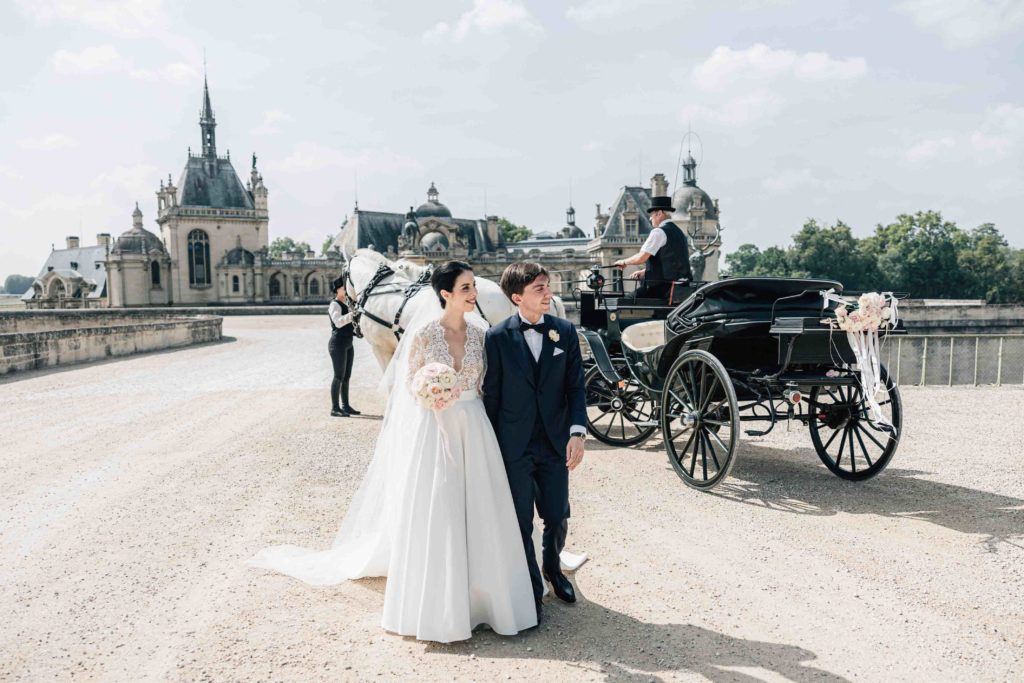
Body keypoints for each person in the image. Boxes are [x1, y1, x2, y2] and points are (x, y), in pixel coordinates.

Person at [250, 261, 536, 643]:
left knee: (484, 507)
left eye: (473, 287)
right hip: (436, 429)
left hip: (476, 426)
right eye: (466, 288)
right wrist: (432, 394)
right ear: (446, 294)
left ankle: (491, 599)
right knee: (441, 508)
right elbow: (410, 386)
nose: (474, 294)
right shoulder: (423, 334)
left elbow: (494, 384)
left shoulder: (483, 334)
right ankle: (441, 606)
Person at [483, 261, 587, 624]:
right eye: (539, 288)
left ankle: (553, 570)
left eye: (548, 286)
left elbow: (576, 387)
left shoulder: (565, 332)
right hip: (514, 445)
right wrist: (492, 446)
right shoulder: (495, 338)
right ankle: (531, 589)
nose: (549, 293)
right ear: (517, 297)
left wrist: (577, 432)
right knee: (521, 519)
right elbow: (491, 397)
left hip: (557, 441)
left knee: (557, 515)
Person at [612, 195, 692, 300]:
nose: (650, 218)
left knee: (623, 302)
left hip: (662, 289)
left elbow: (642, 257)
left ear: (659, 213)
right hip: (682, 288)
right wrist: (646, 272)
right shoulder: (680, 233)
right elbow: (672, 263)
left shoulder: (659, 232)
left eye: (652, 215)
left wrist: (623, 261)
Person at [328, 276, 360, 417]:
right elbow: (339, 322)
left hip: (348, 342)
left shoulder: (346, 304)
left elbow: (348, 324)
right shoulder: (334, 304)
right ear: (337, 290)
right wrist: (352, 315)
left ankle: (345, 406)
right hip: (338, 344)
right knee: (338, 376)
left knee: (346, 376)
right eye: (343, 287)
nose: (346, 290)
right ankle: (335, 408)